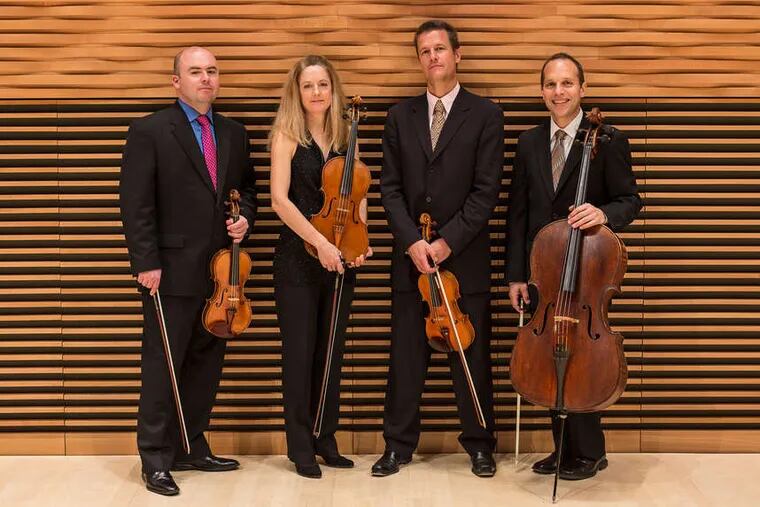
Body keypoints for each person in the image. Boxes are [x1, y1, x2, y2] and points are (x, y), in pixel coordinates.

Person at [119, 46, 256, 496]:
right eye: (195, 72)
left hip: (222, 275)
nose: (206, 79)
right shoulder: (149, 131)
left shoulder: (234, 133)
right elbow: (135, 203)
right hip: (169, 271)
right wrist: (146, 262)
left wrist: (245, 218)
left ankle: (192, 445)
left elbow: (247, 190)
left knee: (205, 364)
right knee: (163, 366)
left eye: (212, 71)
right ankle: (155, 458)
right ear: (176, 81)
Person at [373, 20, 504, 478]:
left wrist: (447, 241)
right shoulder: (399, 116)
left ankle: (480, 445)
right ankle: (397, 445)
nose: (433, 56)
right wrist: (413, 242)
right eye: (425, 51)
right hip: (412, 261)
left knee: (472, 359)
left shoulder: (486, 114)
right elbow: (389, 189)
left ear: (457, 54)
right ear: (419, 60)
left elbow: (486, 192)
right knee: (405, 359)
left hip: (464, 259)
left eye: (440, 49)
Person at [506, 52, 642, 481]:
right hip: (544, 272)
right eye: (550, 84)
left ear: (582, 88)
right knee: (550, 354)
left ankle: (591, 452)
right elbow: (517, 213)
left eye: (567, 83)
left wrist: (603, 214)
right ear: (541, 91)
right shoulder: (529, 143)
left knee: (584, 354)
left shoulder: (608, 139)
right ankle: (562, 450)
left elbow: (630, 201)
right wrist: (516, 275)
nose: (558, 91)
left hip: (587, 272)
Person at [269, 54, 371, 479]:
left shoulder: (347, 136)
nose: (316, 92)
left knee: (331, 353)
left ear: (334, 90)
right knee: (299, 355)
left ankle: (325, 438)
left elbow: (358, 194)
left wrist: (360, 243)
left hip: (340, 259)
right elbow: (280, 201)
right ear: (297, 91)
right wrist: (322, 244)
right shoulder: (286, 135)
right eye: (308, 85)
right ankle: (300, 447)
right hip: (298, 259)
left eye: (323, 85)